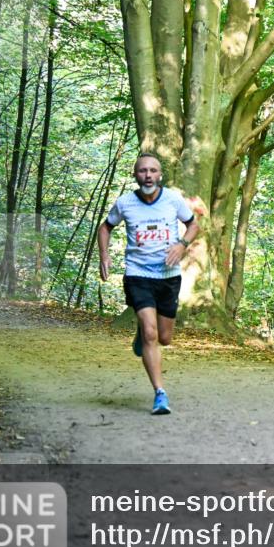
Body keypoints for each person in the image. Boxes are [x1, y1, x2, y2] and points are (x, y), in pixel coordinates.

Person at [98, 153, 199, 415]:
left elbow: (193, 224)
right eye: (143, 171)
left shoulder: (173, 199)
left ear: (160, 175)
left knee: (164, 338)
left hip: (168, 276)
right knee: (151, 334)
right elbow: (105, 228)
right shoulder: (125, 203)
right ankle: (160, 393)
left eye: (153, 171)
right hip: (138, 275)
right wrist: (104, 256)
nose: (148, 176)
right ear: (135, 175)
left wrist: (182, 245)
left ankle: (142, 333)